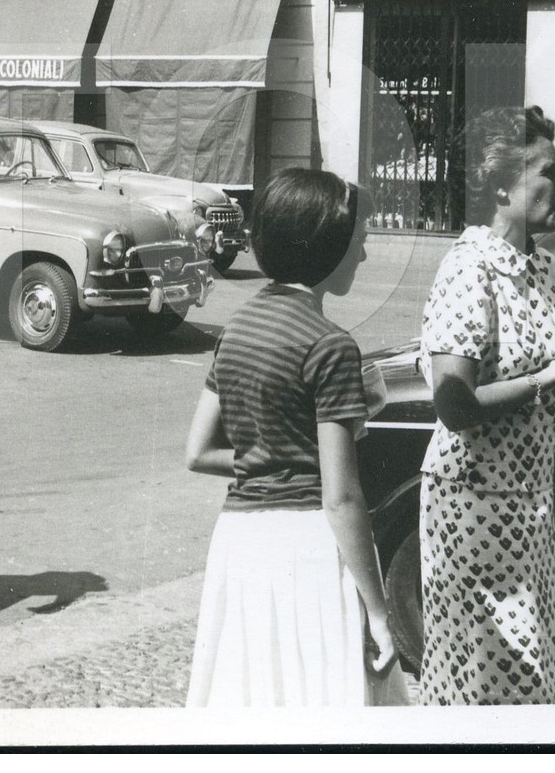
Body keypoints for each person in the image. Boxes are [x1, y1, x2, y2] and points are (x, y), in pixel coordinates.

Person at [185, 168, 405, 706]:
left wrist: (277, 453)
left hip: (242, 547)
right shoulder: (330, 345)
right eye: (359, 243)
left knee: (256, 704)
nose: (364, 256)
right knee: (322, 703)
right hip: (308, 550)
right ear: (326, 247)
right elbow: (341, 497)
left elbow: (198, 452)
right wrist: (380, 613)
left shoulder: (236, 328)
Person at [416, 106, 555, 705]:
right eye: (549, 172)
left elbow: (537, 383)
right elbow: (456, 405)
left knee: (530, 682)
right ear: (501, 186)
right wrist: (550, 376)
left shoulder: (548, 270)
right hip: (472, 509)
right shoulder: (468, 268)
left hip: (528, 508)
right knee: (486, 681)